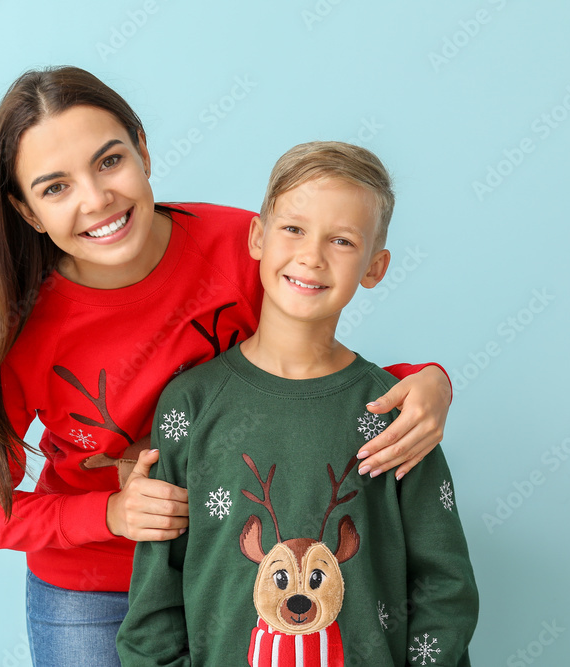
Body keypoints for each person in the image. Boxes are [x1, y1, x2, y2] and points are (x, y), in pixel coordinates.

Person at [0, 66, 455, 667]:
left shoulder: (243, 242)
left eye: (109, 162)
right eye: (54, 188)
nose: (96, 198)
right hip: (93, 591)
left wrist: (427, 378)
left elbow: (308, 364)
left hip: (234, 570)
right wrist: (107, 513)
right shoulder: (18, 336)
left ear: (143, 149)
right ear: (26, 212)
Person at [117, 141, 478, 666]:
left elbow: (443, 583)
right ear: (258, 237)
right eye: (293, 228)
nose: (312, 255)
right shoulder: (190, 405)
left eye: (342, 240)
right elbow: (155, 594)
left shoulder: (396, 415)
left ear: (375, 267)